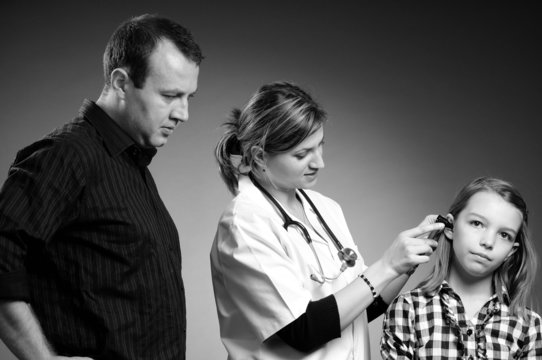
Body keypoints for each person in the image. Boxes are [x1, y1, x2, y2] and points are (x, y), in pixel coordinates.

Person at [0, 14, 202, 360]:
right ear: (121, 83)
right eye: (170, 96)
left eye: (189, 97)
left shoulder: (130, 162)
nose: (182, 113)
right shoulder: (67, 155)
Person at [210, 81, 444, 359]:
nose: (319, 162)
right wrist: (387, 264)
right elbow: (302, 330)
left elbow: (361, 306)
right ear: (260, 156)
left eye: (320, 146)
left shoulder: (324, 208)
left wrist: (404, 265)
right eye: (302, 154)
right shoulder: (245, 223)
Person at [381, 177, 542, 359]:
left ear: (511, 251)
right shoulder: (408, 309)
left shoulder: (529, 325)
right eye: (477, 223)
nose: (488, 242)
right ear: (450, 227)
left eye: (504, 235)